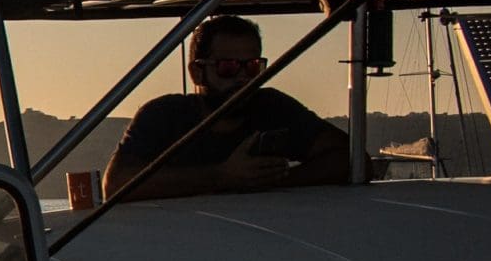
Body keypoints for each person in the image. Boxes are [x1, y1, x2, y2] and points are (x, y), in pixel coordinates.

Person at [103, 14, 351, 201]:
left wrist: (272, 181)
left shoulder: (273, 107)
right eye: (228, 68)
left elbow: (350, 160)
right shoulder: (164, 116)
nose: (242, 78)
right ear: (197, 73)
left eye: (252, 66)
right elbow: (115, 184)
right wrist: (223, 176)